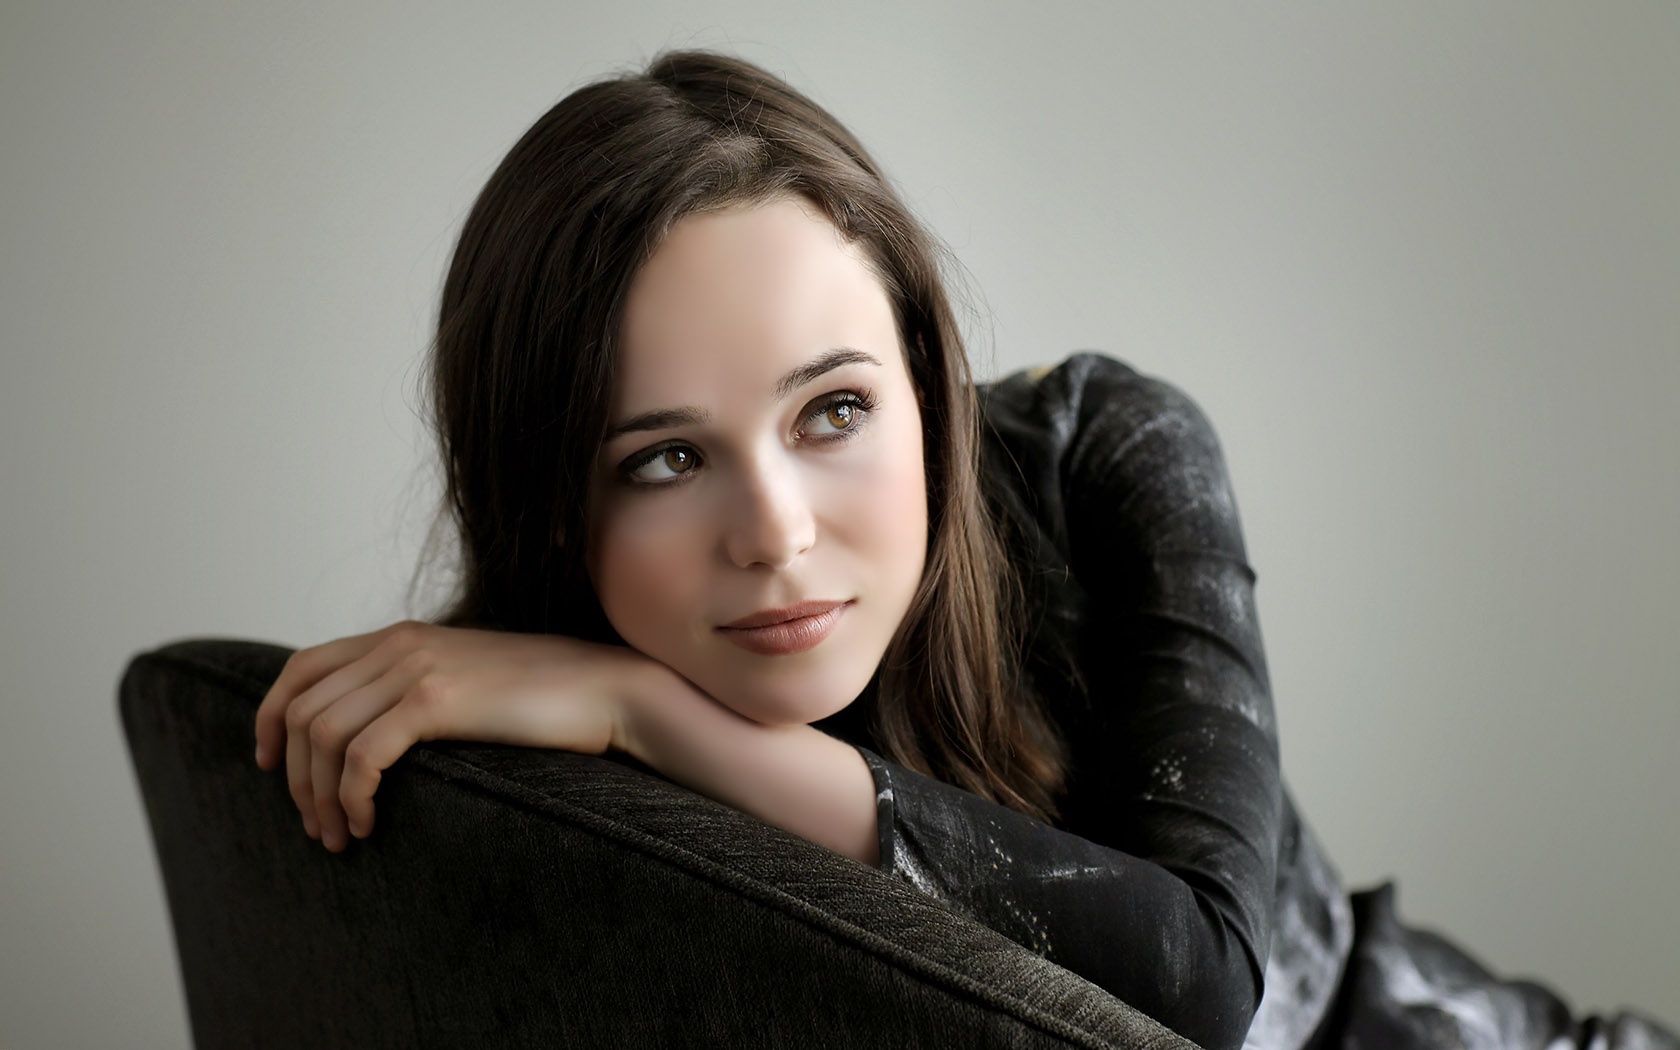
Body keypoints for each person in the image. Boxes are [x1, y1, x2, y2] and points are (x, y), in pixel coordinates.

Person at [251, 49, 1676, 1050]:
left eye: (834, 410)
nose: (777, 532)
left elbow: (1200, 982)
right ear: (554, 506)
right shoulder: (515, 798)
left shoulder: (1105, 453)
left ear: (928, 387)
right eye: (666, 459)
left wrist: (648, 711)